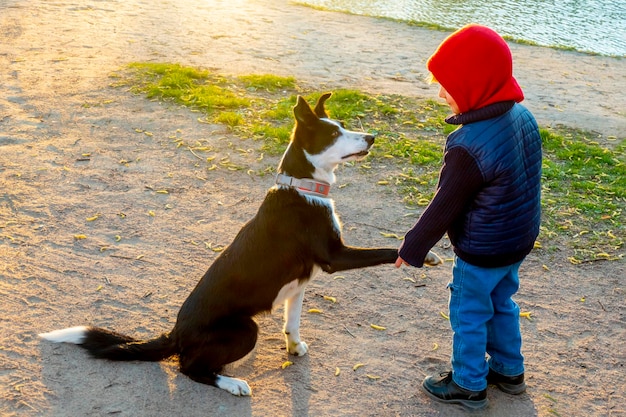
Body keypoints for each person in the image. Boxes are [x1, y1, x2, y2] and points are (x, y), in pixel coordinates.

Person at [395, 24, 542, 410]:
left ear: (475, 86)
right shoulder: (523, 116)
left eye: (448, 86)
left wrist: (413, 248)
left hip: (482, 247)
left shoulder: (469, 143)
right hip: (517, 240)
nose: (441, 94)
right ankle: (510, 371)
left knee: (470, 312)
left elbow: (446, 204)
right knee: (502, 301)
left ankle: (468, 383)